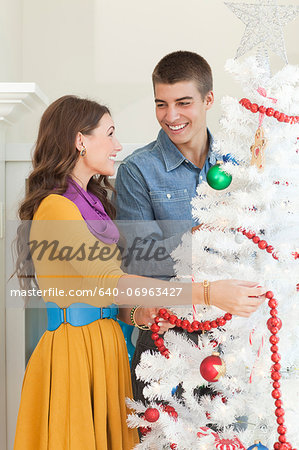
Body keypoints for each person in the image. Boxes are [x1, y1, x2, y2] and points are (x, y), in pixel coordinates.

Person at [13, 95, 264, 450]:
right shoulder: (56, 207)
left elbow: (100, 293)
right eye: (110, 134)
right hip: (74, 354)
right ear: (79, 140)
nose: (117, 146)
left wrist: (138, 313)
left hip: (105, 345)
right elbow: (109, 282)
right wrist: (208, 293)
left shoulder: (92, 204)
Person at [114, 51, 242, 405]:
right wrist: (201, 238)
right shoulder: (137, 170)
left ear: (209, 99)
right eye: (161, 104)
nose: (171, 116)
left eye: (183, 102)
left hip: (239, 344)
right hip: (166, 347)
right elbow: (140, 262)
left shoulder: (241, 165)